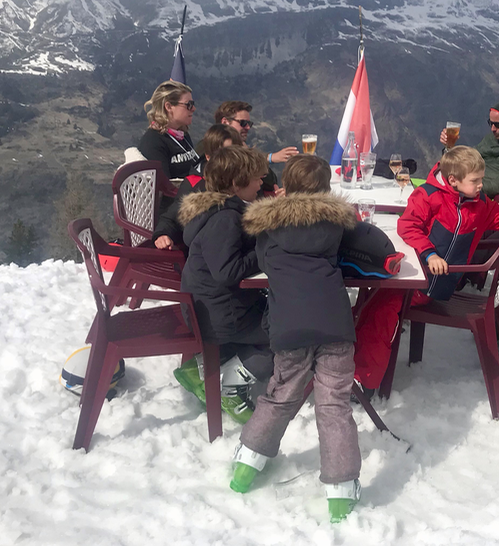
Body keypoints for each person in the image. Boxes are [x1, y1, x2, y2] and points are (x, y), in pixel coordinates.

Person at [230, 154, 362, 523]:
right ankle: (340, 492)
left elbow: (264, 260)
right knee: (333, 404)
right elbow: (374, 243)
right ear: (326, 188)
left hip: (289, 327)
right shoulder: (338, 223)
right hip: (335, 325)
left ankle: (246, 466)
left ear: (285, 184)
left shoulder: (266, 226)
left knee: (280, 395)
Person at [351, 146, 499, 391]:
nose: (480, 185)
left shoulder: (479, 204)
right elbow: (409, 225)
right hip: (424, 274)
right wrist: (429, 252)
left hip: (433, 285)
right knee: (369, 297)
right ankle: (346, 362)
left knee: (383, 305)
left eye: (481, 180)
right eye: (475, 180)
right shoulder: (428, 195)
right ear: (453, 180)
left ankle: (362, 380)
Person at [172, 145, 273, 424]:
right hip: (220, 316)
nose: (261, 182)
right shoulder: (226, 219)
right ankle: (232, 386)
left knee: (276, 314)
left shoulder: (218, 209)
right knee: (286, 334)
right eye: (255, 178)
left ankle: (200, 368)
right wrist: (265, 252)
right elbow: (228, 271)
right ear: (235, 183)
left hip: (207, 308)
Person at [153, 123, 242, 251]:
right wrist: (162, 235)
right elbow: (172, 217)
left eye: (236, 152)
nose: (231, 160)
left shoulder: (247, 179)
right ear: (208, 157)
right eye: (224, 154)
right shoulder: (194, 184)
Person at [212, 100, 298, 194]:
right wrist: (268, 158)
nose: (248, 127)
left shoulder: (244, 149)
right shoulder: (211, 150)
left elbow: (270, 180)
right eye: (243, 123)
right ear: (225, 122)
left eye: (249, 124)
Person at [137, 80, 201, 184]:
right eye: (188, 104)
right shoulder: (153, 142)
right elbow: (163, 187)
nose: (193, 108)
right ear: (169, 107)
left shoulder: (183, 135)